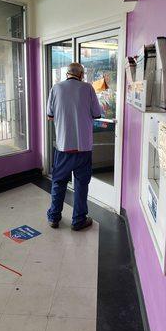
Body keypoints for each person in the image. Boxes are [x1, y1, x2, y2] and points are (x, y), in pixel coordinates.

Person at [46, 62, 101, 231]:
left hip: (64, 147)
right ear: (82, 74)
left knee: (58, 182)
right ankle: (78, 221)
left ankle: (54, 217)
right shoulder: (88, 88)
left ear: (67, 74)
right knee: (81, 184)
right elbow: (97, 114)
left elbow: (50, 116)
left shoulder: (56, 88)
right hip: (83, 148)